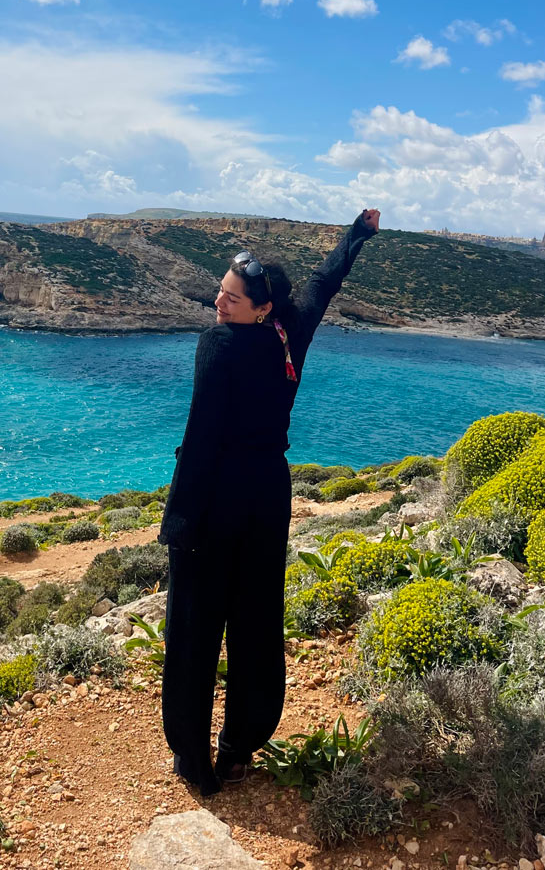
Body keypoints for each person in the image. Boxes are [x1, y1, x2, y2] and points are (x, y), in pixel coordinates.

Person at [158, 207, 381, 796]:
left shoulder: (219, 344)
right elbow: (321, 285)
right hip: (267, 497)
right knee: (256, 621)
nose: (218, 302)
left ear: (260, 308)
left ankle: (193, 758)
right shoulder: (290, 330)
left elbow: (202, 432)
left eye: (231, 297)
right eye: (221, 292)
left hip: (215, 502)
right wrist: (355, 237)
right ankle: (238, 749)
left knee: (193, 627)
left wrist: (178, 520)